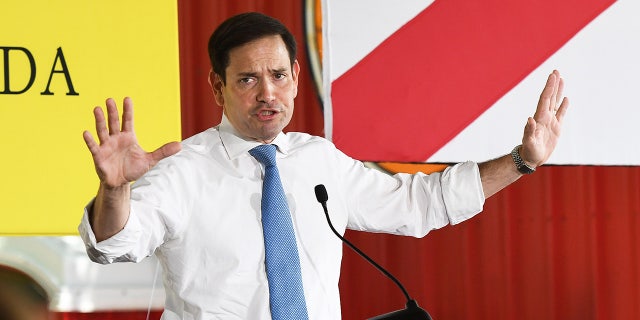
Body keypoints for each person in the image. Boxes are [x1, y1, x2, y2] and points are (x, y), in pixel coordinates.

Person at [78, 12, 569, 320]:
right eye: (247, 79)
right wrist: (116, 189)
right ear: (217, 87)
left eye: (276, 76)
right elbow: (114, 244)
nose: (267, 93)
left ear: (295, 77)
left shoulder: (319, 160)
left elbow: (421, 206)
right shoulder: (183, 169)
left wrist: (521, 161)